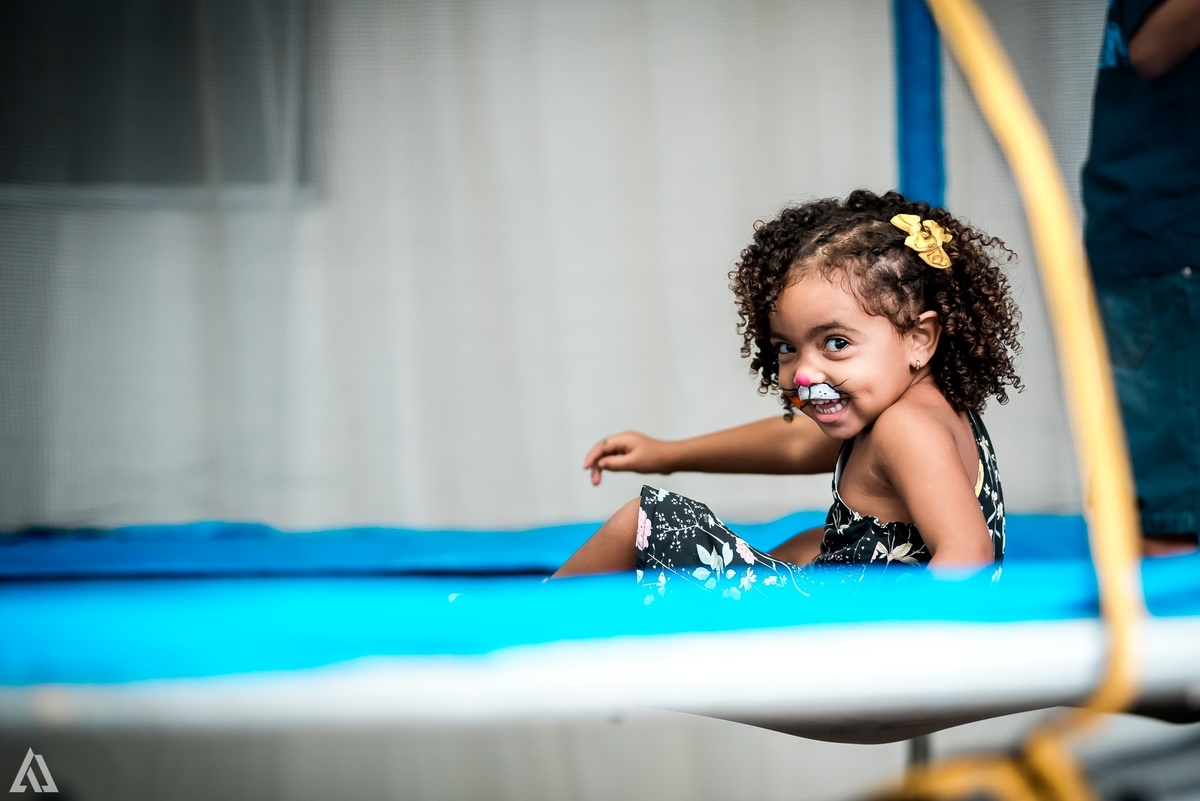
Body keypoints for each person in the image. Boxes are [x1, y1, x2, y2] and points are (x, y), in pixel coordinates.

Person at [553, 189, 1023, 595]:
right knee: (811, 539)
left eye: (836, 343)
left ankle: (519, 641)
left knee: (644, 522)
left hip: (852, 656)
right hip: (854, 614)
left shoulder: (906, 427)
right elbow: (797, 444)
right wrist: (666, 454)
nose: (803, 373)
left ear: (919, 339)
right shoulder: (913, 406)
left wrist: (894, 668)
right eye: (786, 348)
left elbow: (968, 552)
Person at [1082, 0, 1200, 557]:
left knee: (1161, 486)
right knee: (1169, 502)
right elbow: (1153, 51)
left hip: (1153, 240)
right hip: (1165, 244)